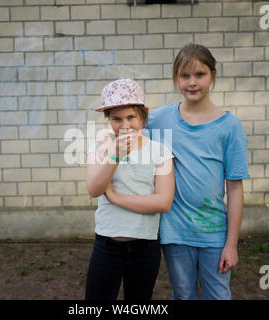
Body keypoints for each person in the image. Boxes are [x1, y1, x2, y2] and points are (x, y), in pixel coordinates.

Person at [148, 43, 250, 300]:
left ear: (213, 75)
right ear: (176, 79)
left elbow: (235, 189)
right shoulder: (160, 120)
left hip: (214, 232)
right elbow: (127, 122)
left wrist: (231, 244)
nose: (192, 82)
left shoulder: (229, 126)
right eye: (184, 75)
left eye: (199, 74)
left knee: (218, 294)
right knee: (183, 294)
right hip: (174, 232)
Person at [85, 79, 175, 300]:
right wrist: (114, 155)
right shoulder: (101, 147)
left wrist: (115, 197)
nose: (124, 125)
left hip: (145, 246)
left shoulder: (160, 151)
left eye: (131, 117)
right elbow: (94, 189)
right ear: (108, 118)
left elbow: (163, 202)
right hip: (107, 243)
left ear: (143, 116)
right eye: (116, 118)